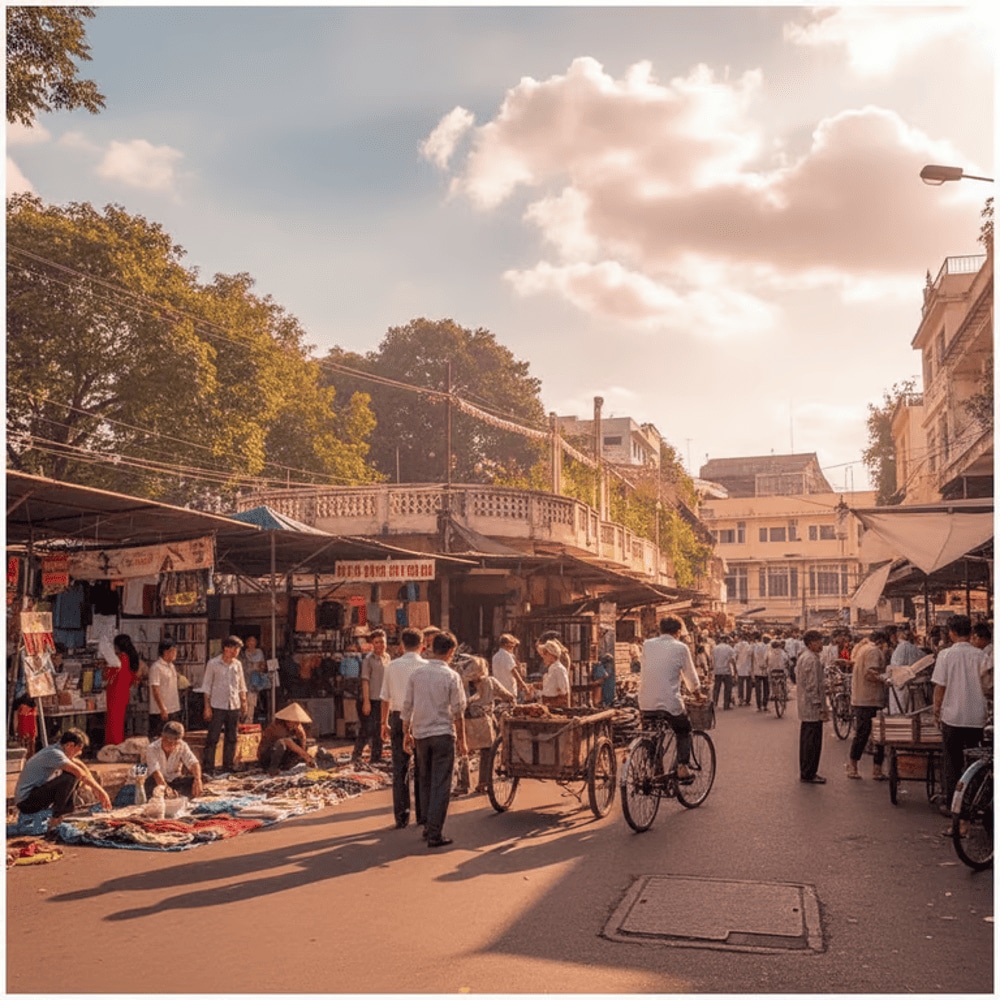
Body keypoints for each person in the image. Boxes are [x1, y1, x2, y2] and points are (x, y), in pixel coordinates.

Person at [402, 631, 468, 848]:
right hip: (443, 734)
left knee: (426, 780)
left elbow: (407, 706)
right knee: (441, 784)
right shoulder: (451, 676)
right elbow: (458, 711)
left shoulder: (417, 674)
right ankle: (434, 833)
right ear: (450, 652)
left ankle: (427, 825)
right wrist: (463, 741)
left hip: (421, 734)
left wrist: (406, 733)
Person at [932, 614, 989, 822]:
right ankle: (975, 803)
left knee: (952, 764)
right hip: (977, 718)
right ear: (970, 632)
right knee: (977, 763)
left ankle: (953, 808)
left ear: (951, 633)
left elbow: (940, 687)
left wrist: (936, 711)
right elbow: (989, 686)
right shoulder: (981, 656)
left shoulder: (945, 655)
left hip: (952, 718)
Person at [638, 617, 704, 782]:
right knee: (684, 730)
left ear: (660, 630)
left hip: (646, 702)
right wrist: (697, 694)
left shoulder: (647, 645)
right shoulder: (681, 647)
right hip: (669, 702)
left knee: (652, 734)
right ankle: (682, 767)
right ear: (678, 632)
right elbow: (690, 676)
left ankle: (655, 769)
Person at [14, 728, 112, 830]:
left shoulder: (59, 750)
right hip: (26, 802)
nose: (80, 753)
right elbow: (80, 773)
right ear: (70, 745)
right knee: (71, 777)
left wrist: (96, 789)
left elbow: (81, 766)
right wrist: (102, 792)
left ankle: (65, 812)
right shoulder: (55, 753)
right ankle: (57, 817)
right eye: (79, 749)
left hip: (32, 796)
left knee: (72, 775)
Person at [379, 627, 428, 829]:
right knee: (422, 767)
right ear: (422, 646)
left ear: (401, 645)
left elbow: (385, 698)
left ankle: (402, 816)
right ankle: (423, 815)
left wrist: (384, 723)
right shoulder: (426, 667)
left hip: (398, 717)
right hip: (421, 718)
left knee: (400, 768)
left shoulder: (392, 666)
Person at [464, 657, 515, 794]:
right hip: (483, 722)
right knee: (486, 752)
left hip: (465, 722)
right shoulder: (490, 681)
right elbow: (508, 696)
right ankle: (483, 783)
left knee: (463, 753)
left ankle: (462, 785)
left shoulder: (463, 683)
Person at [200, 636, 247, 775]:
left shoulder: (237, 665)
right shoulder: (213, 663)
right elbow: (206, 686)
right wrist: (207, 707)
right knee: (213, 737)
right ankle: (209, 767)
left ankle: (228, 765)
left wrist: (244, 702)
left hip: (234, 704)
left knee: (232, 737)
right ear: (226, 648)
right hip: (217, 704)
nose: (236, 652)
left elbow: (241, 685)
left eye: (238, 649)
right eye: (234, 648)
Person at [846, 631, 889, 780]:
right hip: (870, 699)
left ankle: (855, 766)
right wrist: (885, 679)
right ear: (881, 641)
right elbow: (870, 673)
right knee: (877, 734)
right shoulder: (873, 651)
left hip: (862, 698)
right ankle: (872, 769)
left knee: (863, 734)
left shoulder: (862, 648)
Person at [353, 630, 390, 764]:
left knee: (379, 729)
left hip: (382, 700)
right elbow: (365, 681)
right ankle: (356, 755)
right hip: (369, 699)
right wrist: (366, 701)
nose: (380, 645)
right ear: (372, 644)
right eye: (377, 642)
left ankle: (376, 757)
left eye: (382, 642)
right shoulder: (368, 659)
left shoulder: (387, 658)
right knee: (367, 729)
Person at [796, 630, 828, 783]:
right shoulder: (811, 659)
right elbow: (812, 685)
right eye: (819, 641)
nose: (821, 644)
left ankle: (807, 771)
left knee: (807, 741)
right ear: (811, 643)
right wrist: (819, 705)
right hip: (812, 707)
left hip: (807, 706)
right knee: (812, 743)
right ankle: (809, 773)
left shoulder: (807, 657)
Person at [144, 721, 204, 799]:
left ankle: (177, 795)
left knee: (196, 780)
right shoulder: (152, 748)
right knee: (150, 787)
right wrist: (166, 788)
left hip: (175, 781)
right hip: (157, 781)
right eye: (169, 742)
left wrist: (197, 780)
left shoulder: (182, 745)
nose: (172, 746)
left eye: (175, 743)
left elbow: (194, 763)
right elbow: (156, 773)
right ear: (163, 737)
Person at [104, 633, 141, 746]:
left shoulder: (119, 659)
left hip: (115, 693)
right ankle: (117, 743)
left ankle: (113, 745)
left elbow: (108, 675)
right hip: (123, 693)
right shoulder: (130, 659)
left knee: (113, 723)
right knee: (118, 722)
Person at [258, 703, 315, 775]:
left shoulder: (296, 727)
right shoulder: (277, 727)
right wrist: (305, 755)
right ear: (287, 720)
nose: (296, 725)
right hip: (267, 755)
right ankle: (272, 768)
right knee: (282, 744)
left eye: (297, 723)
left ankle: (285, 766)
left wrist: (301, 735)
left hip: (281, 754)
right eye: (294, 722)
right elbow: (288, 742)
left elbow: (302, 740)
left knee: (299, 744)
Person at [148, 638, 182, 739]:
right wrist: (162, 708)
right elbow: (155, 689)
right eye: (173, 651)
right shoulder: (156, 667)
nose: (175, 653)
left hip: (173, 708)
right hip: (160, 710)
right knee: (159, 737)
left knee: (173, 737)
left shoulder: (172, 666)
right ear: (165, 652)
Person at [492, 633, 528, 700]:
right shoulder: (507, 656)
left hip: (498, 688)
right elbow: (514, 671)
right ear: (506, 644)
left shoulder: (495, 657)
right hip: (509, 688)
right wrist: (522, 684)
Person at [535, 639, 570, 708]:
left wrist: (550, 705)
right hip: (548, 705)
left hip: (556, 708)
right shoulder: (551, 669)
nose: (543, 657)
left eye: (545, 654)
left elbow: (564, 694)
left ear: (550, 655)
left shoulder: (559, 669)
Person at [242, 634, 267, 724]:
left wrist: (260, 667)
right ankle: (242, 720)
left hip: (254, 681)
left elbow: (262, 666)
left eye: (254, 641)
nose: (252, 643)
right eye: (250, 641)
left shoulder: (259, 653)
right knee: (243, 700)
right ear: (246, 643)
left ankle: (249, 721)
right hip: (244, 680)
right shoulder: (243, 654)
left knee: (252, 702)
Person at [710, 634, 736, 710]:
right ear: (726, 640)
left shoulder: (715, 648)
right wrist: (735, 670)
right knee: (727, 688)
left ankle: (715, 703)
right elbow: (733, 660)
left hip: (717, 671)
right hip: (726, 671)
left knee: (716, 688)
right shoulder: (729, 648)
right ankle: (726, 705)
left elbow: (712, 660)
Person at [970, 622, 993, 699]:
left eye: (974, 638)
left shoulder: (991, 653)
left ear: (983, 639)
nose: (972, 641)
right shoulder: (980, 653)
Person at [751, 633, 771, 712]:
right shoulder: (768, 647)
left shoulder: (755, 646)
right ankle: (764, 705)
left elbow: (754, 657)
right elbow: (769, 657)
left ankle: (759, 706)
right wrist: (764, 665)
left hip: (757, 670)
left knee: (758, 689)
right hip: (765, 670)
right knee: (766, 688)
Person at [734, 633, 753, 706]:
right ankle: (748, 700)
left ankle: (741, 699)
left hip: (739, 667)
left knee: (740, 684)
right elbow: (752, 657)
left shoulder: (737, 646)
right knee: (749, 685)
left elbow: (734, 656)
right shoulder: (749, 646)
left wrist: (735, 667)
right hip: (748, 667)